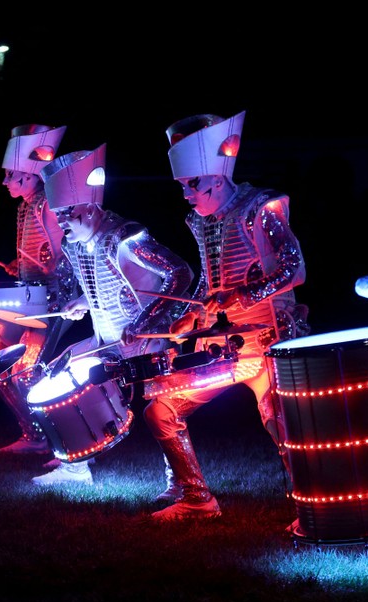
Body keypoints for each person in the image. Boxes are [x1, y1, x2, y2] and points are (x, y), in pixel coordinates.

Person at [143, 111, 309, 522]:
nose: (186, 194)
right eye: (182, 185)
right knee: (161, 408)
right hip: (226, 349)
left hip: (271, 343)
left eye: (192, 184)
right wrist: (188, 318)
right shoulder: (201, 223)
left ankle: (315, 507)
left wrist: (241, 295)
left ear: (217, 177)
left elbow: (293, 269)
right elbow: (208, 284)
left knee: (282, 424)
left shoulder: (261, 208)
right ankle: (197, 499)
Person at [30, 143, 194, 485]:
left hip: (147, 341)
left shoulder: (126, 237)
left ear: (89, 209)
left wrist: (145, 323)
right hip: (106, 340)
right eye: (57, 215)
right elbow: (102, 287)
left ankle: (181, 482)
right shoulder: (74, 245)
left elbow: (180, 274)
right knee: (59, 372)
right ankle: (75, 467)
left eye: (66, 215)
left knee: (162, 411)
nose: (61, 224)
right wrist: (81, 303)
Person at [0, 124, 78, 456]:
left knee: (26, 373)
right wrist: (19, 265)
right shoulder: (24, 206)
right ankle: (33, 434)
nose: (5, 182)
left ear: (29, 175)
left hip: (54, 301)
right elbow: (36, 257)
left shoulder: (49, 203)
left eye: (11, 175)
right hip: (30, 298)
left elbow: (64, 255)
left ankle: (58, 441)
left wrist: (43, 267)